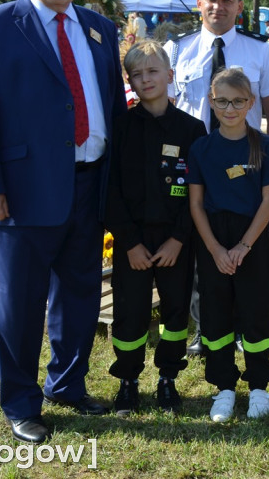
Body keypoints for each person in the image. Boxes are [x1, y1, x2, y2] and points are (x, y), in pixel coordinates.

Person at [0, 0, 127, 443]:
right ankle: (22, 402)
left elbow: (112, 106)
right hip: (22, 191)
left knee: (79, 297)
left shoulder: (99, 29)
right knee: (21, 303)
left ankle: (67, 385)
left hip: (91, 186)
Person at [164, 0, 269, 356]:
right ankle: (206, 328)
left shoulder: (261, 53)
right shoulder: (176, 50)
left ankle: (243, 328)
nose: (218, 6)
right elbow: (166, 115)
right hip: (193, 167)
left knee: (246, 247)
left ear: (239, 7)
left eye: (227, 0)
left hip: (246, 166)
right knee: (200, 250)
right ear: (199, 3)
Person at [105, 40, 206, 415]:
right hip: (132, 243)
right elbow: (110, 191)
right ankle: (127, 382)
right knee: (129, 313)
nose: (146, 79)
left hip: (175, 242)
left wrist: (180, 238)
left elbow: (198, 193)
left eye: (152, 71)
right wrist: (128, 241)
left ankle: (168, 379)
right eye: (137, 74)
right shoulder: (120, 129)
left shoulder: (192, 130)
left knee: (175, 313)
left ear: (169, 75)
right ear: (129, 81)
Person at [187, 67, 269, 421]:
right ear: (211, 102)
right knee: (215, 316)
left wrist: (243, 246)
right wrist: (215, 250)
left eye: (238, 101)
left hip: (252, 239)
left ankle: (259, 386)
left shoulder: (265, 145)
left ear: (250, 103)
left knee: (255, 312)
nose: (230, 108)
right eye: (222, 101)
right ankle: (224, 388)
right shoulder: (201, 148)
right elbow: (195, 204)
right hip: (213, 240)